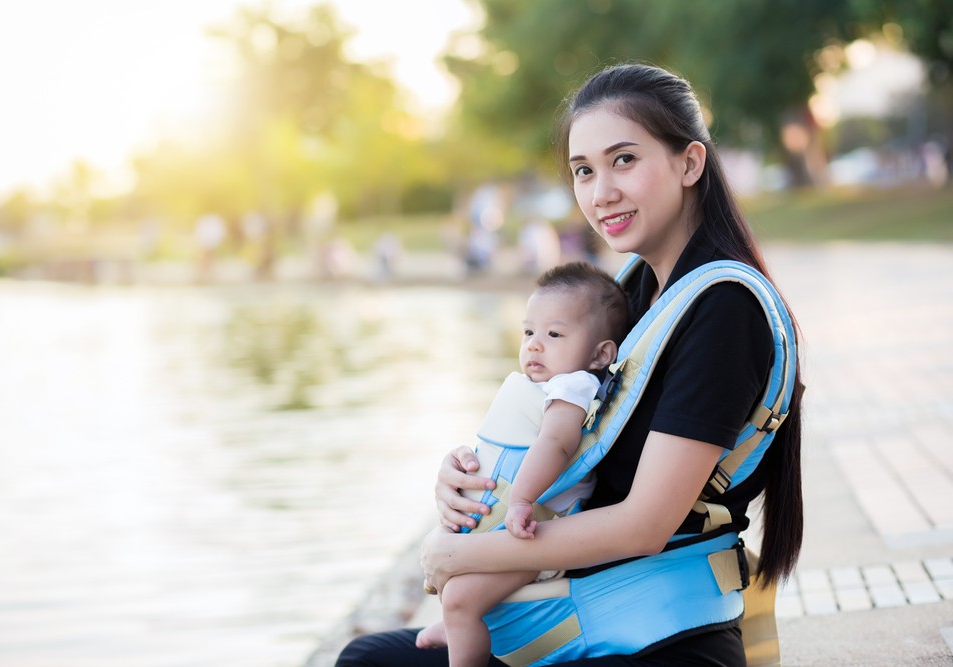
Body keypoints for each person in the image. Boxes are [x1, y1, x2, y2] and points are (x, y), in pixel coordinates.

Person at [336, 62, 804, 666]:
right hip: (585, 606)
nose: (599, 191)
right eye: (584, 170)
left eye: (624, 160)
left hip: (660, 636)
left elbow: (644, 525)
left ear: (690, 163)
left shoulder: (723, 308)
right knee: (369, 657)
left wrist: (466, 556)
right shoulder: (631, 297)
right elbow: (560, 434)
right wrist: (461, 481)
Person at [415, 261, 629, 667]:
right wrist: (462, 461)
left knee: (461, 597)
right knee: (458, 590)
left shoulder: (574, 386)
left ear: (600, 354)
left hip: (538, 525)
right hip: (502, 517)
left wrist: (521, 501)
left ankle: (461, 631)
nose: (534, 344)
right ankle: (458, 622)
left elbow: (555, 444)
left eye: (554, 334)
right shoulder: (541, 385)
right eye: (529, 332)